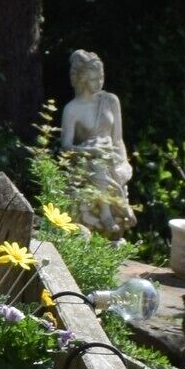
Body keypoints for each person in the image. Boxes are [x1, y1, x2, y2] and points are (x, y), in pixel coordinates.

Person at [58, 48, 135, 236]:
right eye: (94, 79)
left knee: (107, 165)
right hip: (85, 159)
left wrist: (124, 161)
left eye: (101, 77)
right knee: (98, 165)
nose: (99, 83)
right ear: (82, 80)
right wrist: (90, 151)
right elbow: (66, 147)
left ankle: (120, 207)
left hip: (112, 157)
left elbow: (118, 139)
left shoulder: (110, 101)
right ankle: (106, 214)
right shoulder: (72, 109)